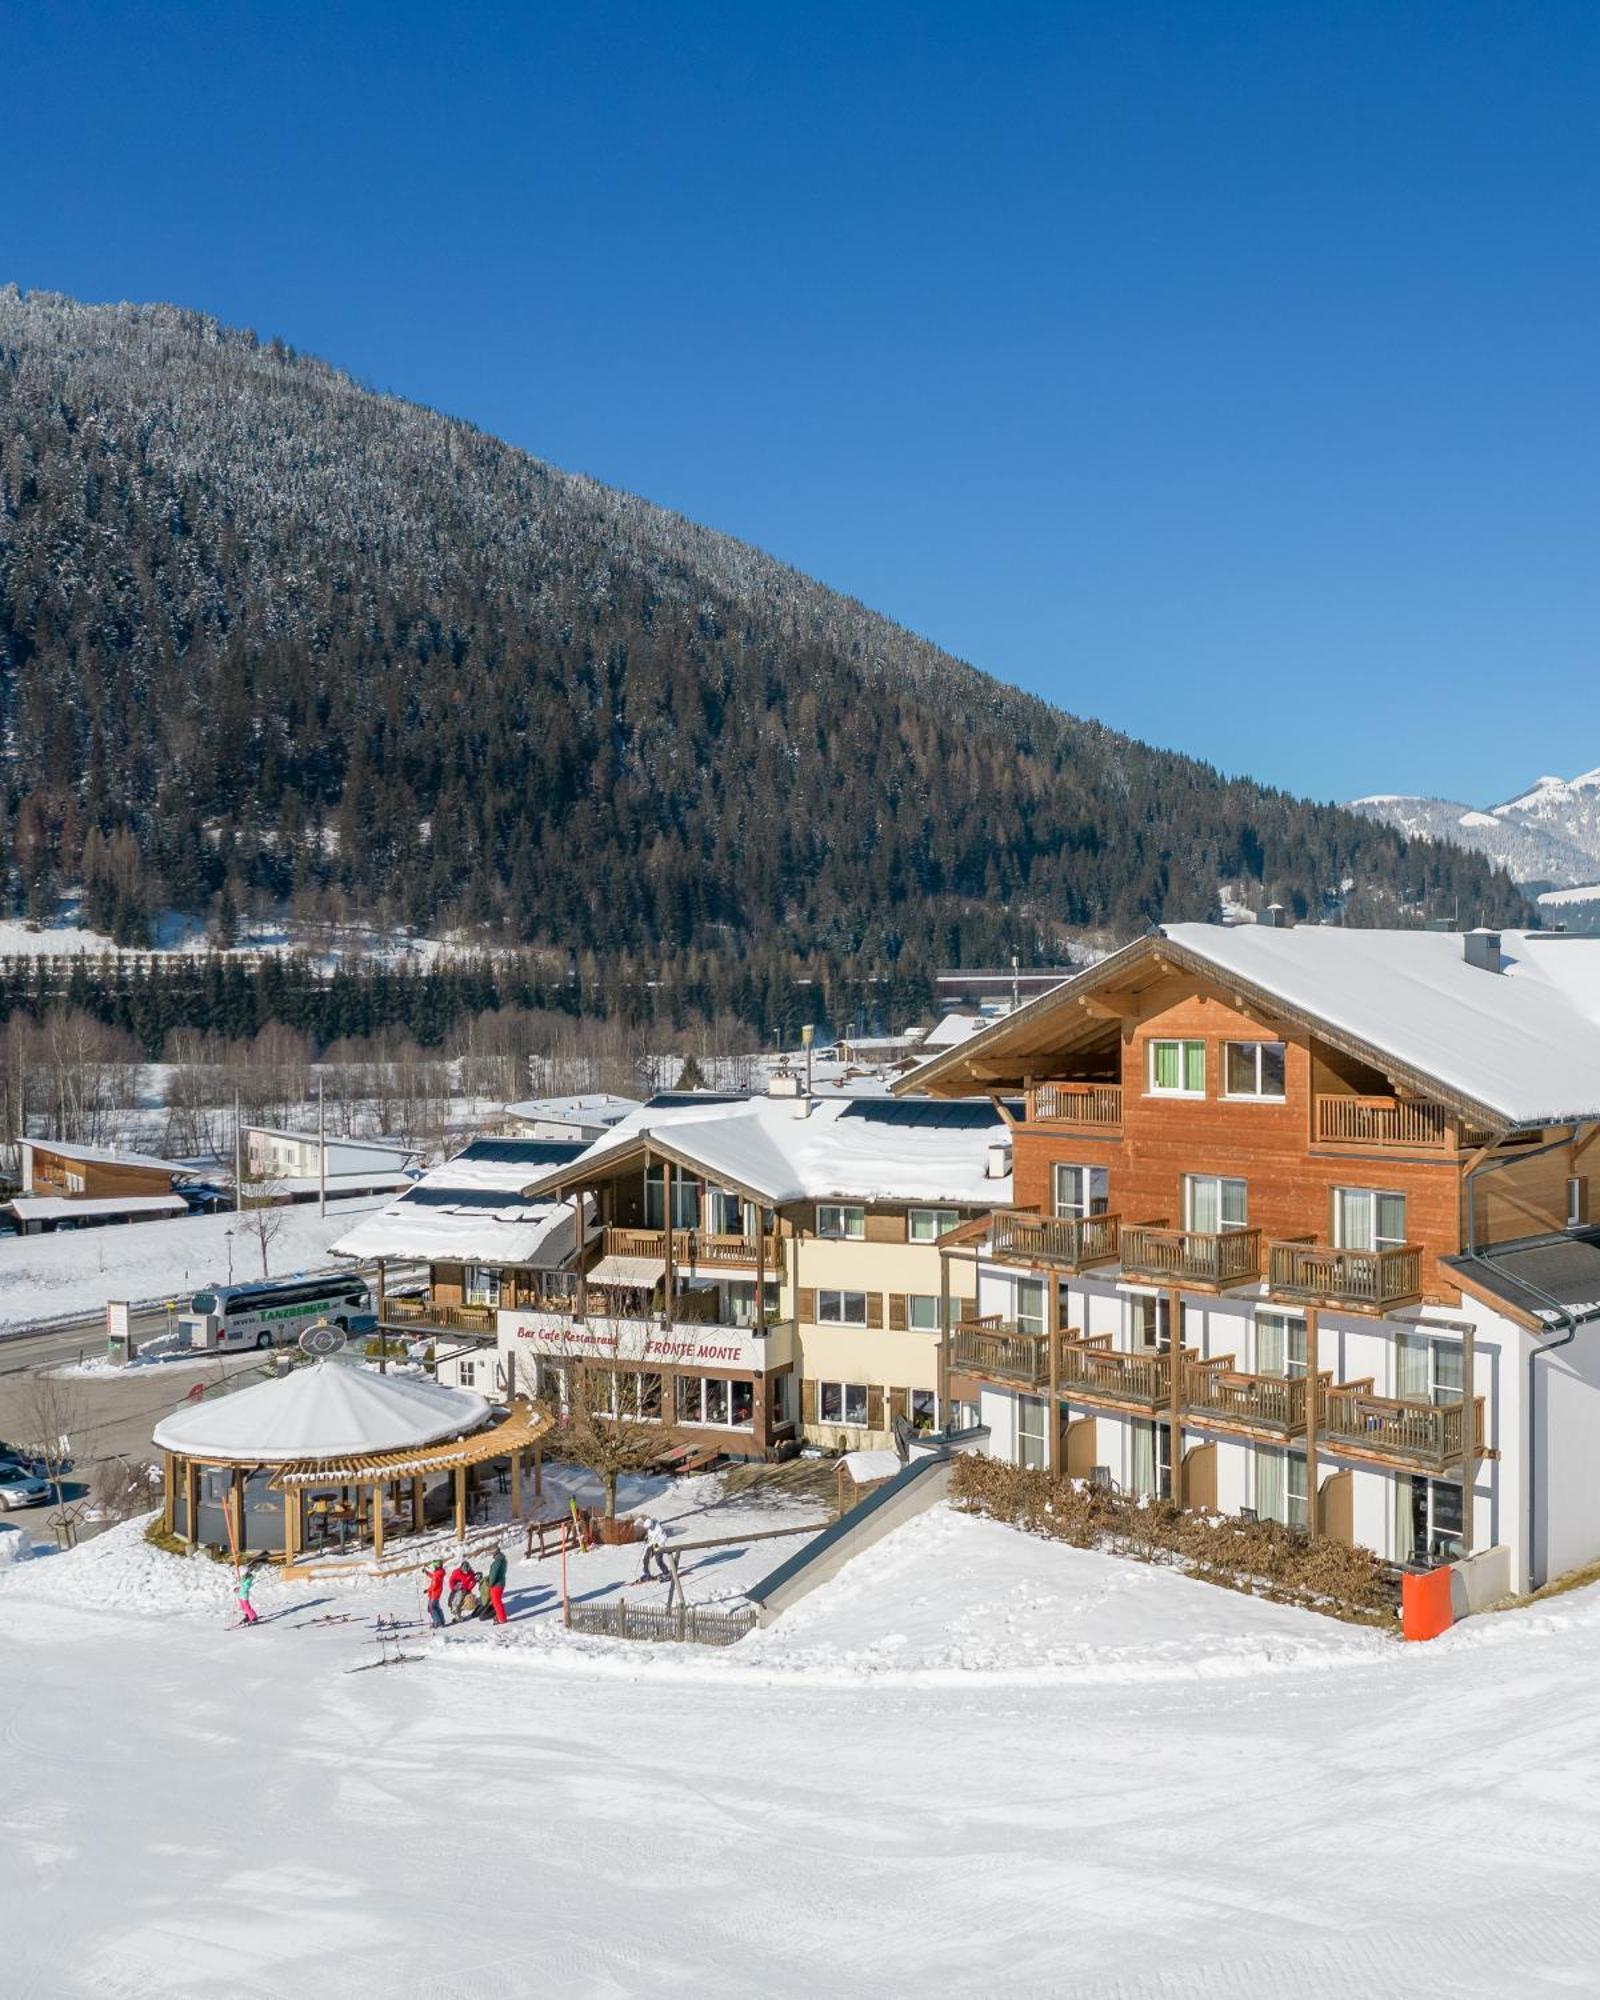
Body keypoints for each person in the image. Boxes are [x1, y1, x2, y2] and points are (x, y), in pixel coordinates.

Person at [636, 1516, 671, 1585]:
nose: (648, 1529)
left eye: (648, 1528)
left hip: (658, 1545)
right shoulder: (650, 1527)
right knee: (645, 1559)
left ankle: (666, 1573)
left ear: (651, 1525)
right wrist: (647, 1539)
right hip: (651, 1544)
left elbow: (664, 1538)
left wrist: (657, 1544)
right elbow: (650, 1536)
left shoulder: (659, 1529)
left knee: (658, 1560)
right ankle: (647, 1574)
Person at [484, 1544, 508, 1624]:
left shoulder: (497, 1562)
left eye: (492, 1552)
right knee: (497, 1601)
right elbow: (497, 1573)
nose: (491, 1554)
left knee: (496, 1602)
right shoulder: (503, 1560)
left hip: (496, 1585)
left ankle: (502, 1619)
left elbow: (494, 1574)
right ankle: (499, 1616)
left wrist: (490, 1583)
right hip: (501, 1582)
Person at [424, 1560, 447, 1630]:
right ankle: (442, 1621)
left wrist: (427, 1590)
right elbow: (434, 1577)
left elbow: (434, 1585)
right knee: (436, 1607)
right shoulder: (440, 1573)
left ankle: (437, 1622)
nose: (433, 1568)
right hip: (437, 1593)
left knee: (431, 1608)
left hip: (434, 1593)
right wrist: (427, 1573)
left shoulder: (437, 1575)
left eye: (434, 1566)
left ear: (436, 1566)